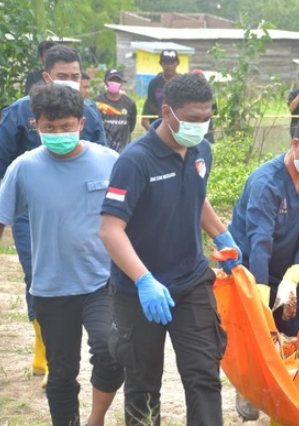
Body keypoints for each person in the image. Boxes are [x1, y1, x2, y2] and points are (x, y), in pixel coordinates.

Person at [0, 84, 124, 426]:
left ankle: (95, 419)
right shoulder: (24, 167)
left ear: (81, 123)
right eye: (49, 128)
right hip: (51, 287)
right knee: (62, 372)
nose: (58, 134)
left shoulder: (108, 161)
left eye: (66, 126)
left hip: (101, 281)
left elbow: (136, 213)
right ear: (35, 126)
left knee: (111, 353)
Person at [100, 73, 240, 426]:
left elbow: (195, 195)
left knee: (204, 377)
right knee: (143, 384)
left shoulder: (201, 151)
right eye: (193, 119)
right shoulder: (135, 161)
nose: (200, 127)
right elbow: (110, 230)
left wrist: (222, 235)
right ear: (166, 112)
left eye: (206, 118)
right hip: (139, 292)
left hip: (191, 281)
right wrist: (145, 280)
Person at [227, 112, 299, 421]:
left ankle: (287, 405)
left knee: (297, 335)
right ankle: (249, 389)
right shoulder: (266, 181)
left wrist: (293, 279)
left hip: (292, 267)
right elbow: (259, 238)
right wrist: (261, 295)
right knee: (257, 337)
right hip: (253, 266)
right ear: (295, 144)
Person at [94, 68, 137, 152]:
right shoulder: (96, 103)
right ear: (105, 81)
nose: (114, 82)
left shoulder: (130, 103)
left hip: (123, 152)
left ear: (122, 83)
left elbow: (131, 126)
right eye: (111, 79)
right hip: (102, 151)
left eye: (117, 80)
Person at [141, 49, 180, 131]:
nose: (168, 66)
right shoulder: (154, 83)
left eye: (172, 63)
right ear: (161, 64)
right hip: (159, 126)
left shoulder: (183, 82)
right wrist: (154, 133)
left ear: (177, 63)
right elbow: (149, 106)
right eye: (165, 63)